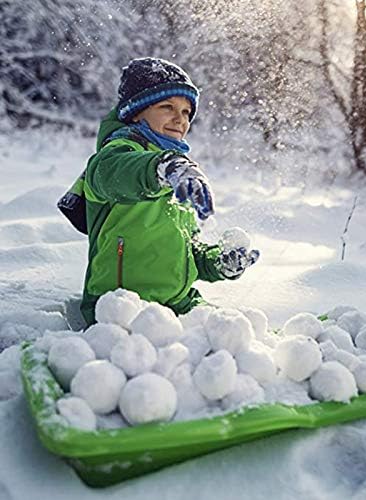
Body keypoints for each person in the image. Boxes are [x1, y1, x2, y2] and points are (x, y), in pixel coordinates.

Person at [76, 57, 259, 326]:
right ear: (136, 112)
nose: (180, 119)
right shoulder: (115, 158)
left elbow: (187, 251)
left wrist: (218, 263)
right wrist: (164, 167)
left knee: (234, 335)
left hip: (180, 303)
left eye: (186, 112)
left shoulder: (179, 177)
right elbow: (118, 173)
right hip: (121, 307)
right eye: (167, 107)